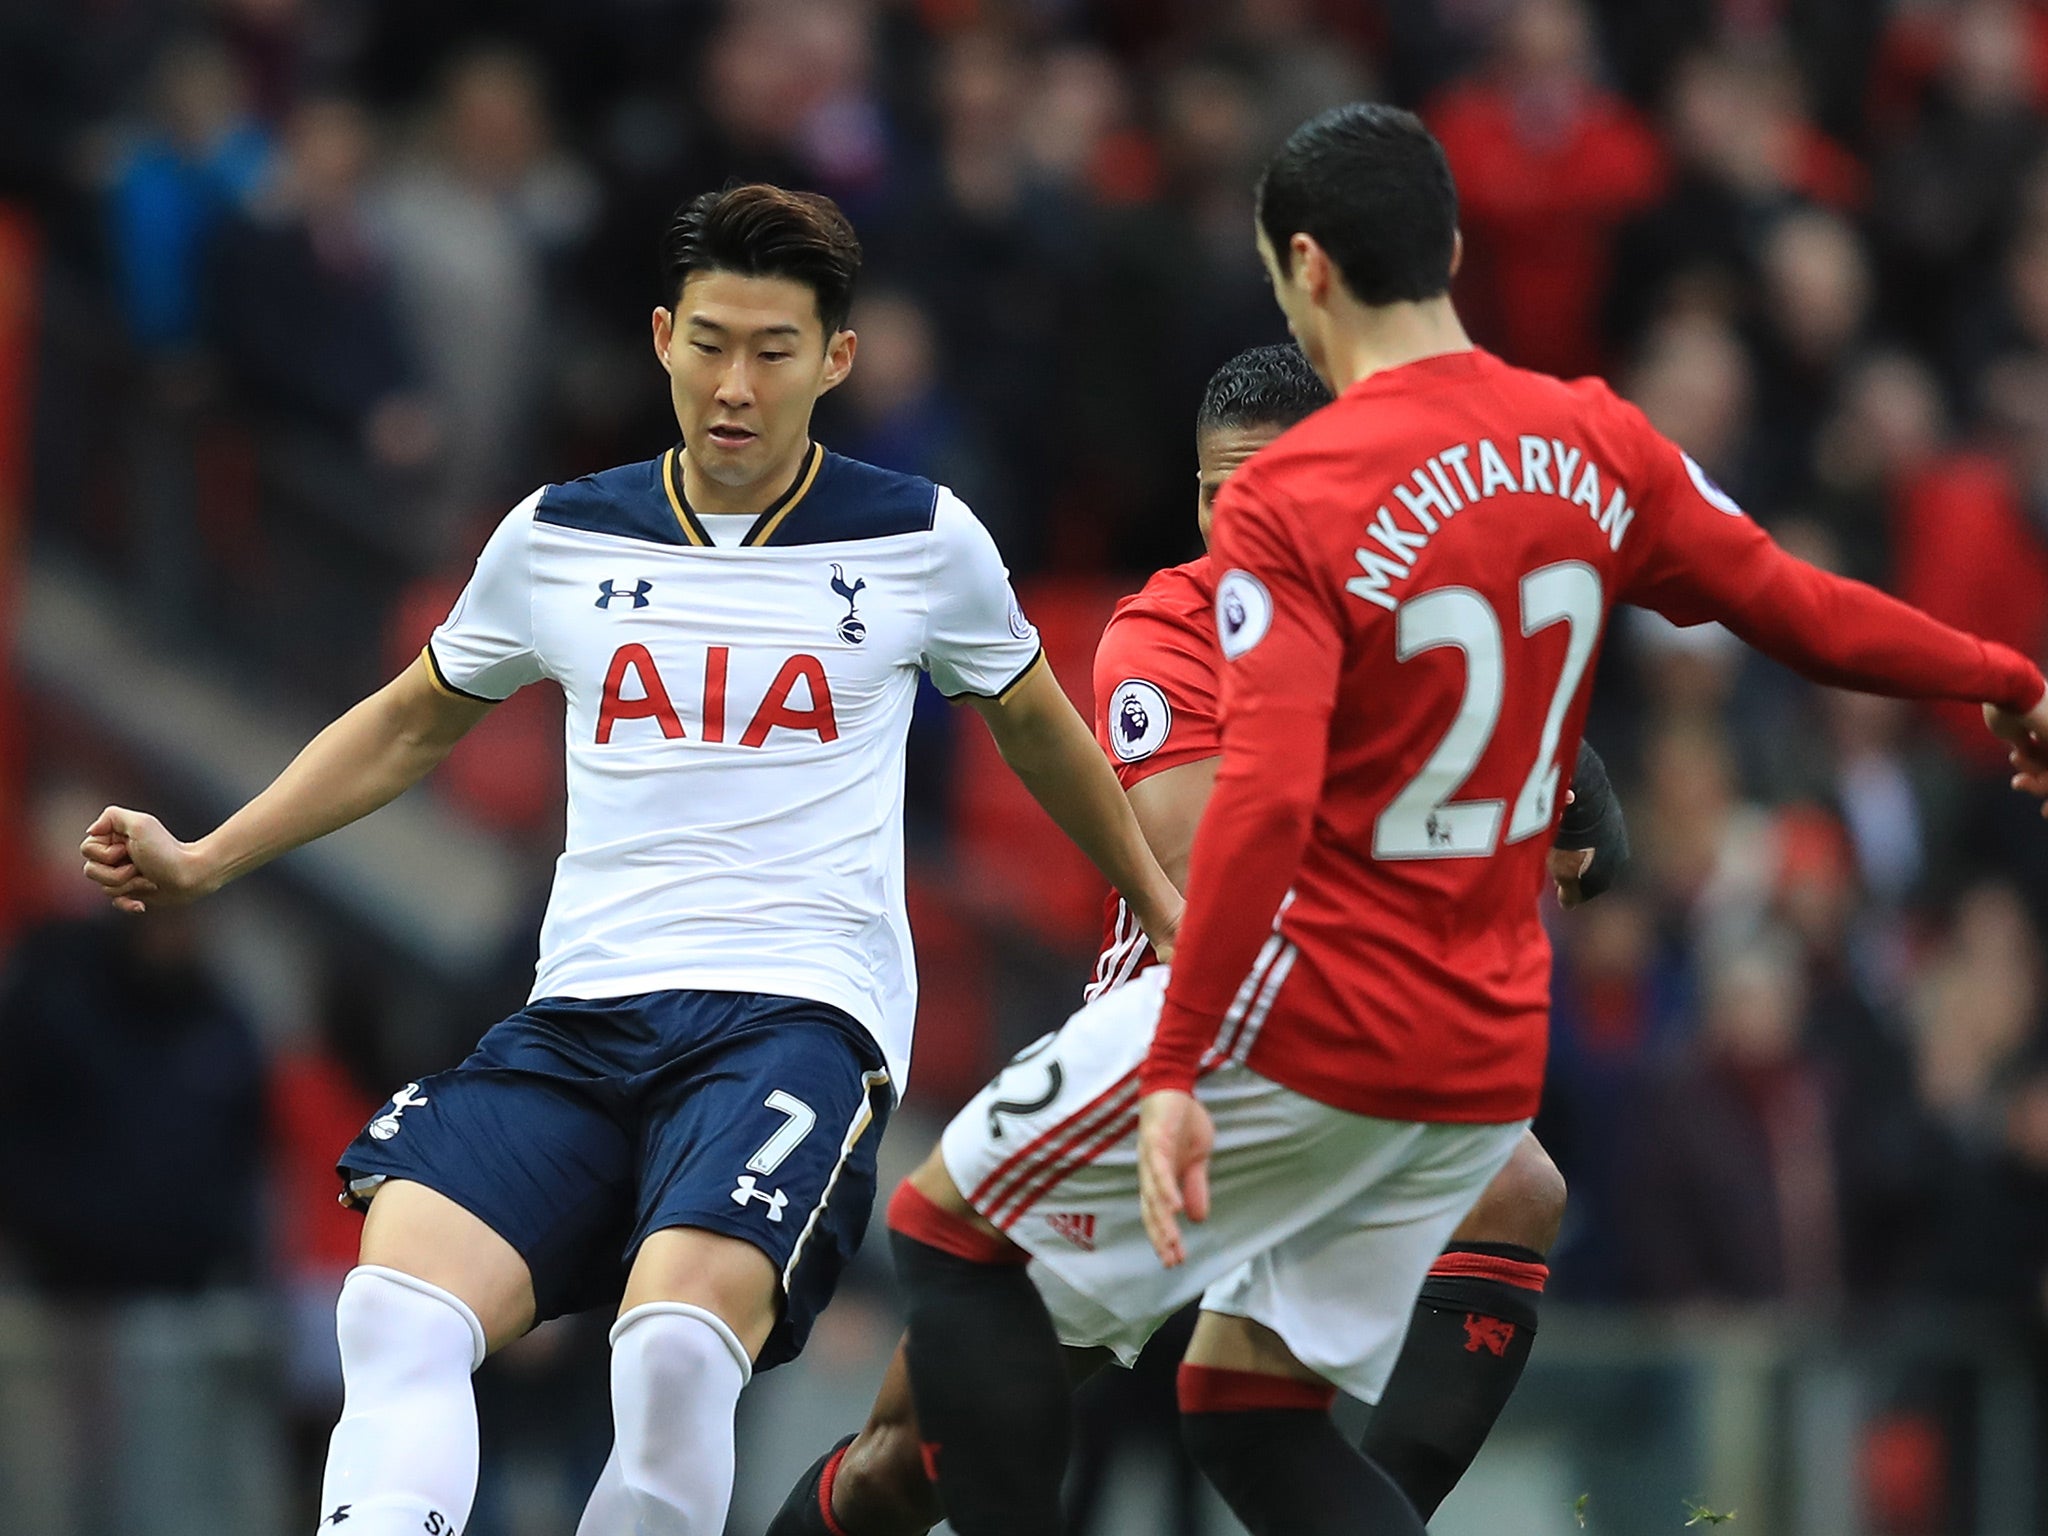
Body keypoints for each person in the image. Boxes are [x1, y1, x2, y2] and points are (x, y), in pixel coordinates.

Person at [877, 105, 2048, 1536]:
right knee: (1247, 1412)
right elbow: (1790, 602)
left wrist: (1181, 1060)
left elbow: (1264, 802)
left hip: (1299, 1014)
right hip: (1478, 1054)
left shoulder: (1295, 497)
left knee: (940, 1236)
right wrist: (2001, 677)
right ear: (1452, 247)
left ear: (1304, 271)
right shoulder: (1593, 436)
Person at [78, 182, 1181, 1536]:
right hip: (585, 1019)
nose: (734, 384)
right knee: (394, 1305)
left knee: (666, 1352)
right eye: (709, 341)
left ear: (835, 360)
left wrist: (1161, 902)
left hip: (792, 1023)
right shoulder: (560, 536)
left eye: (774, 350)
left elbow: (1037, 730)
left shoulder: (920, 539)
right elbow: (412, 722)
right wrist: (207, 858)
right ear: (662, 336)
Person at [765, 341, 1624, 1536]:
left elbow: (1578, 847)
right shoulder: (1163, 633)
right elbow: (1209, 868)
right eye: (1223, 496)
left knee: (1515, 1186)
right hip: (1161, 1062)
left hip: (1339, 1064)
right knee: (900, 1465)